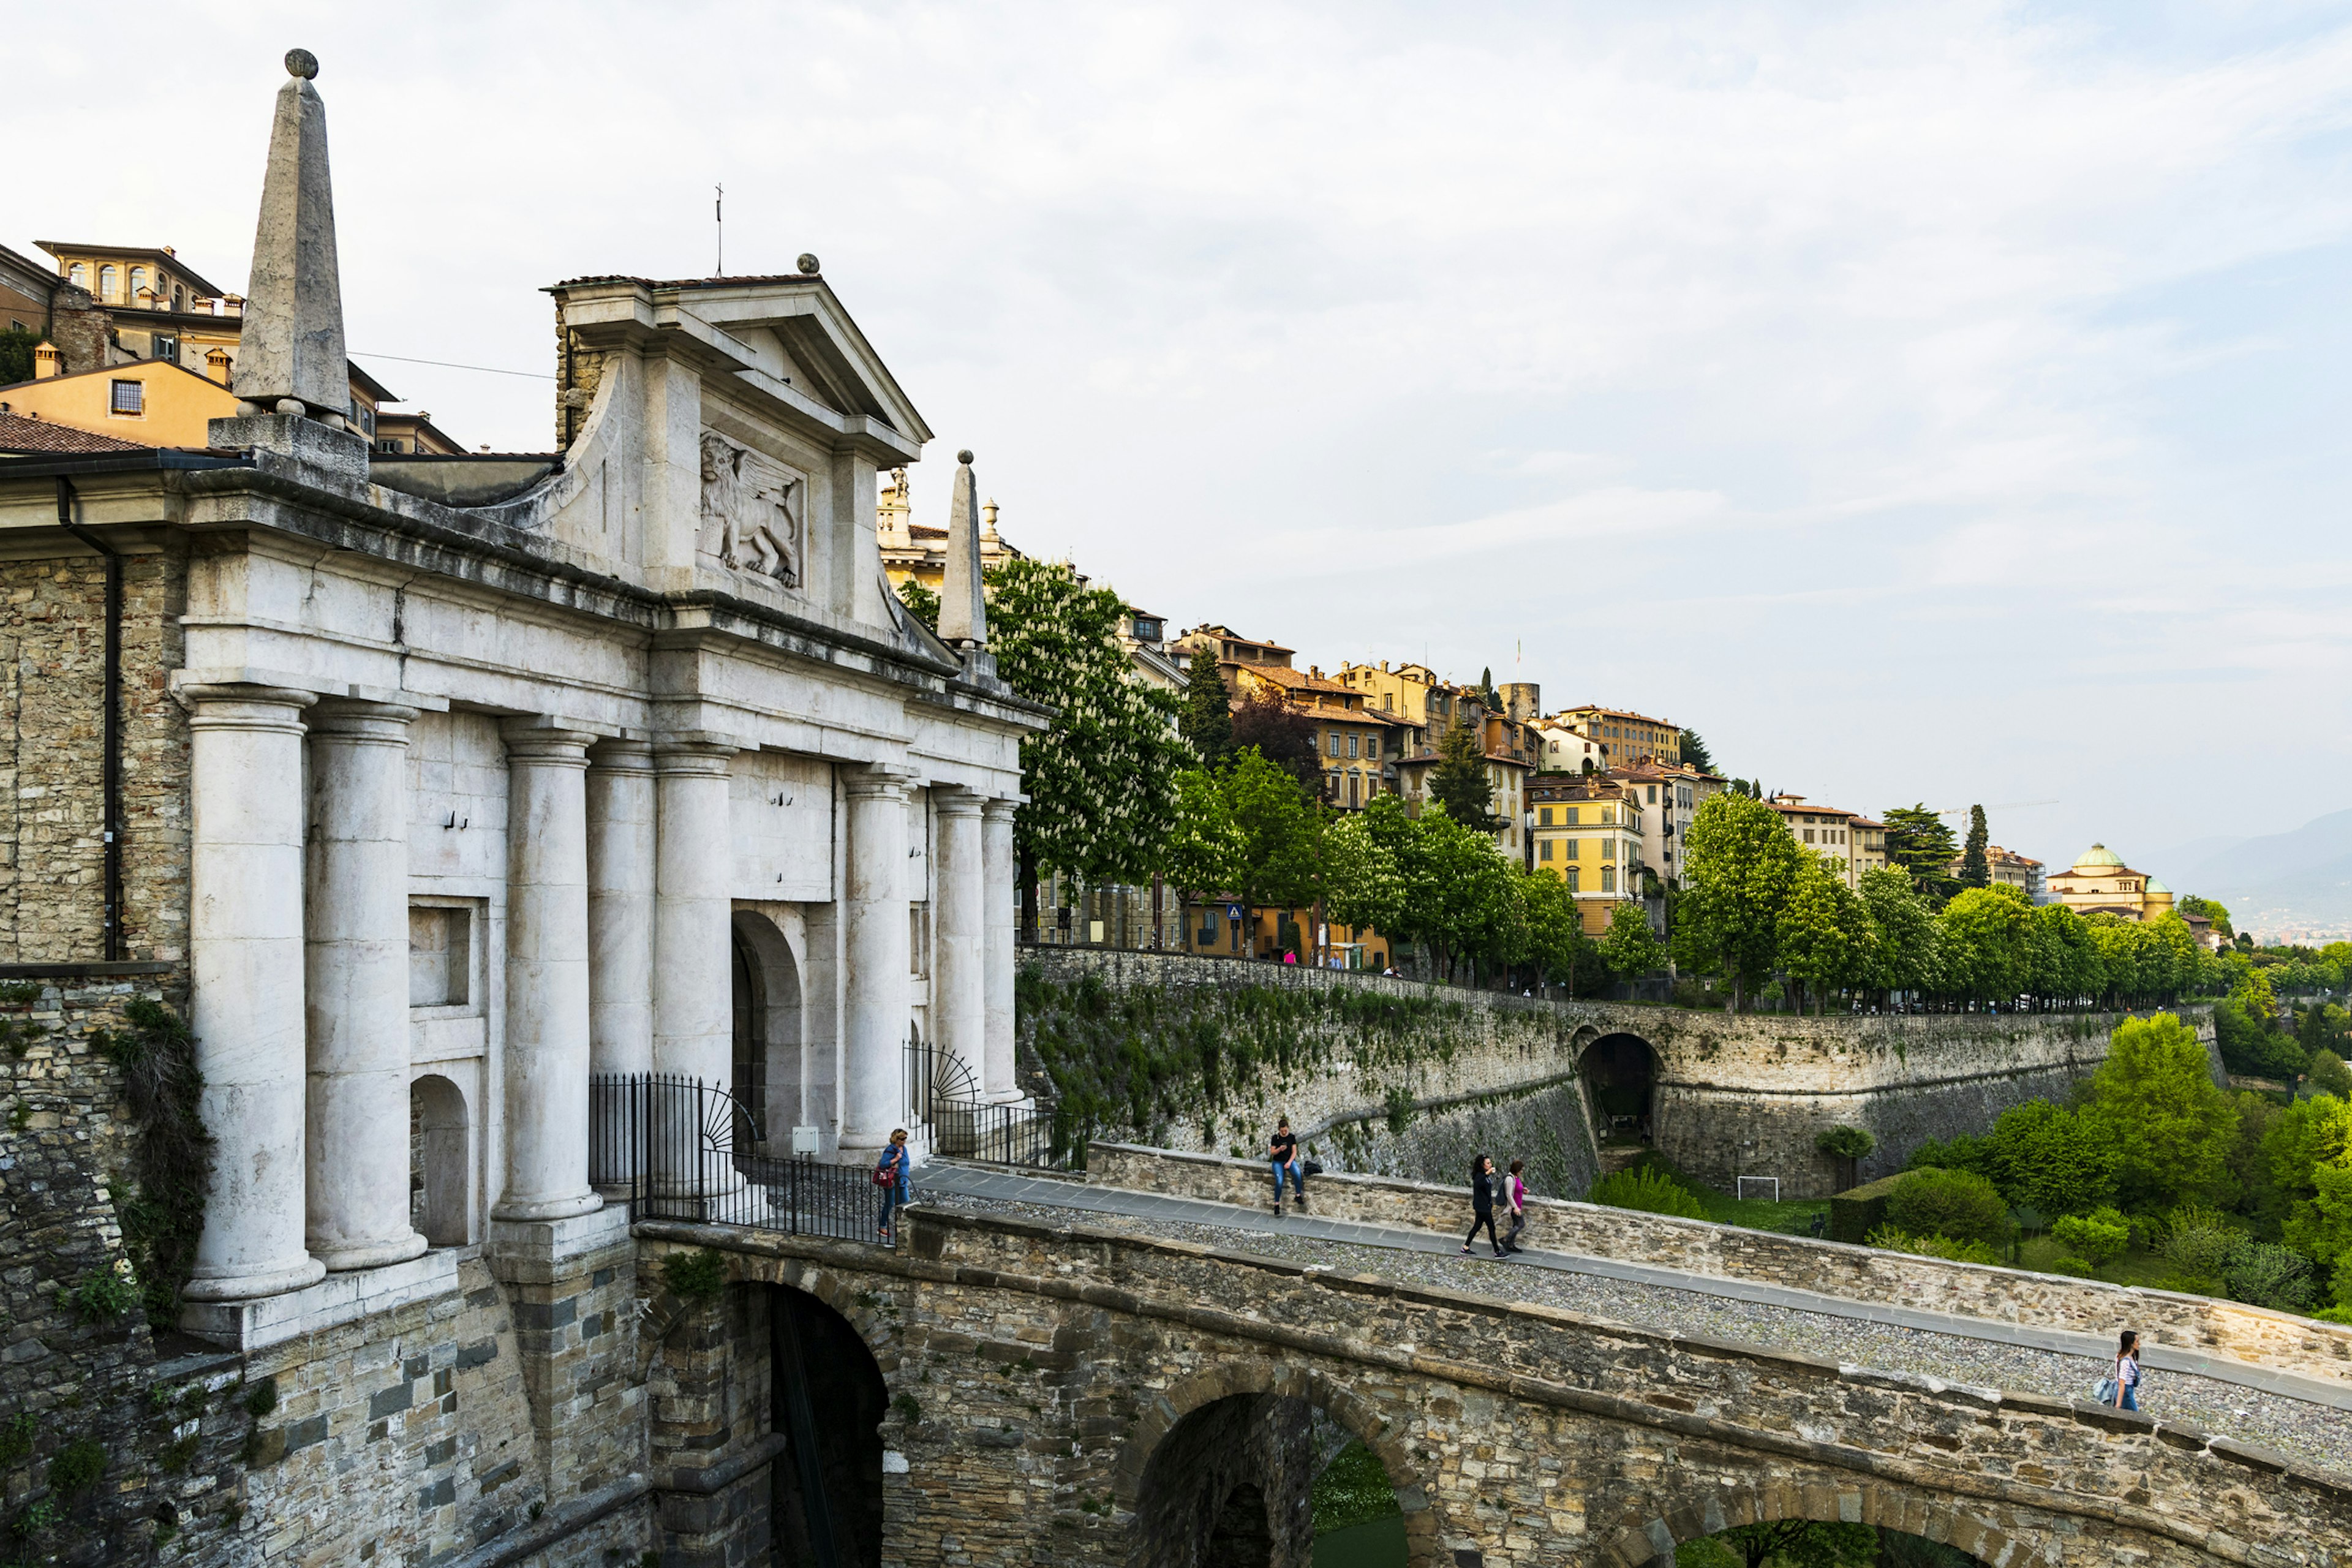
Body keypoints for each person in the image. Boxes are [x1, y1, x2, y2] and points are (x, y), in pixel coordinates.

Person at [1461, 1153, 1505, 1257]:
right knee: (1491, 1228)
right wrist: (1487, 1174)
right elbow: (1478, 1183)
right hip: (1482, 1207)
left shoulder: (1485, 1175)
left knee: (1477, 1226)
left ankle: (1466, 1247)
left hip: (1485, 1205)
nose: (1490, 1165)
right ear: (1483, 1165)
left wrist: (1488, 1174)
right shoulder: (1480, 1176)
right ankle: (1497, 1251)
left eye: (1490, 1163)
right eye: (1488, 1163)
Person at [875, 1128, 911, 1241]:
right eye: (902, 1139)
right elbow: (883, 1164)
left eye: (906, 1138)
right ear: (896, 1139)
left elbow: (906, 1163)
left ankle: (903, 1226)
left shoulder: (904, 1149)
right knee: (890, 1203)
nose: (904, 1141)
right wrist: (896, 1159)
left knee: (905, 1203)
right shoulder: (890, 1150)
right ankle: (883, 1226)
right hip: (892, 1181)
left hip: (903, 1181)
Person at [1268, 1116, 1306, 1216]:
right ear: (1279, 1130)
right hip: (1278, 1162)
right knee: (1279, 1181)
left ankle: (1298, 1195)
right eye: (1282, 1131)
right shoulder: (1275, 1138)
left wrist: (1289, 1162)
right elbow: (1272, 1152)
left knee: (1297, 1174)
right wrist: (1279, 1149)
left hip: (1289, 1160)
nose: (1284, 1133)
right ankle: (1277, 1204)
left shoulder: (1292, 1137)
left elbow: (1294, 1152)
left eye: (1285, 1131)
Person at [1502, 1158, 1529, 1253]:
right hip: (1515, 1207)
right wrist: (1515, 1207)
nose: (1522, 1172)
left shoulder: (1516, 1178)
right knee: (1521, 1224)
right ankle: (1505, 1239)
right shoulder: (1510, 1179)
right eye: (1521, 1170)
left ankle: (1511, 1245)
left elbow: (1517, 1189)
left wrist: (1523, 1190)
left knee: (1516, 1225)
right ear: (1517, 1170)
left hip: (1518, 1205)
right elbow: (1509, 1194)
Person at [2113, 1329, 2142, 1412]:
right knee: (2136, 1416)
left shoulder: (2124, 1356)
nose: (2139, 1344)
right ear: (2131, 1344)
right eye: (2137, 1342)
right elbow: (2122, 1383)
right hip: (2126, 1392)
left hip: (2127, 1390)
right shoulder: (2126, 1361)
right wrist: (2118, 1404)